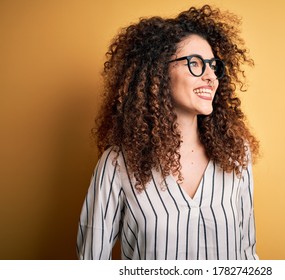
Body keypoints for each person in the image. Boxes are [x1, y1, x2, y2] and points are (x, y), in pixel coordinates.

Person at [76, 4, 260, 260]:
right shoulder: (117, 165)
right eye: (195, 63)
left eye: (213, 65)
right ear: (159, 72)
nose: (211, 77)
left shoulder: (237, 155)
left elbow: (247, 256)